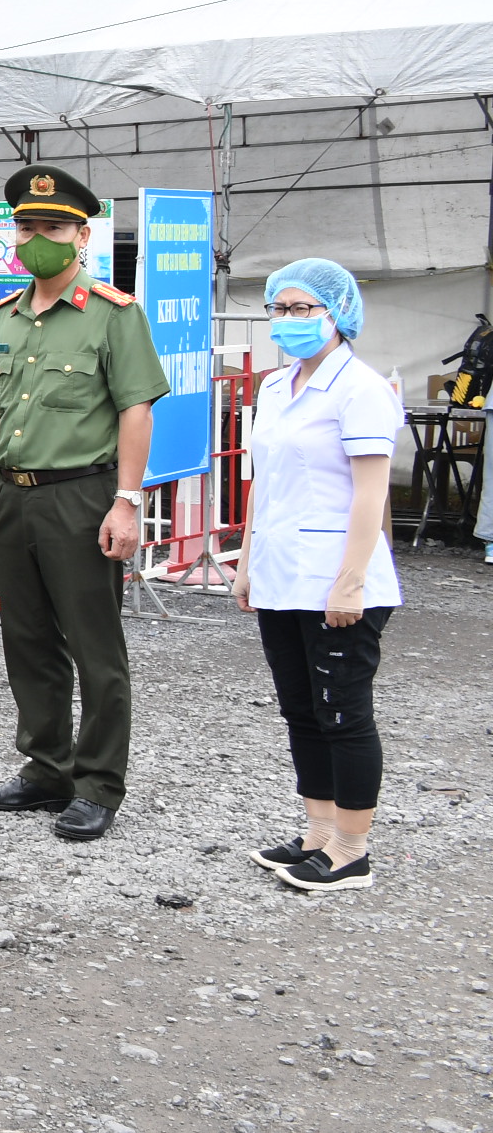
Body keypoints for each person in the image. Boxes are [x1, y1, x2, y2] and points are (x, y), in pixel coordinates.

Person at [0, 164, 167, 841]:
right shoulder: (6, 317)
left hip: (82, 495)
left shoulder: (113, 314)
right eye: (26, 227)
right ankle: (47, 768)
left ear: (81, 237)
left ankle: (98, 784)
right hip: (15, 498)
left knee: (94, 645)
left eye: (52, 227)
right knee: (28, 639)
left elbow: (136, 410)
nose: (37, 238)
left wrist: (126, 501)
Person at [236, 259, 401, 893]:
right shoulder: (277, 387)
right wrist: (247, 561)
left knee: (343, 712)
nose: (288, 320)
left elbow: (370, 495)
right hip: (282, 574)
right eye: (279, 308)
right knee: (301, 710)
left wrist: (351, 580)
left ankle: (353, 849)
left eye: (303, 309)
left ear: (338, 313)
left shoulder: (360, 389)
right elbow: (266, 483)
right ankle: (318, 832)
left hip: (338, 576)